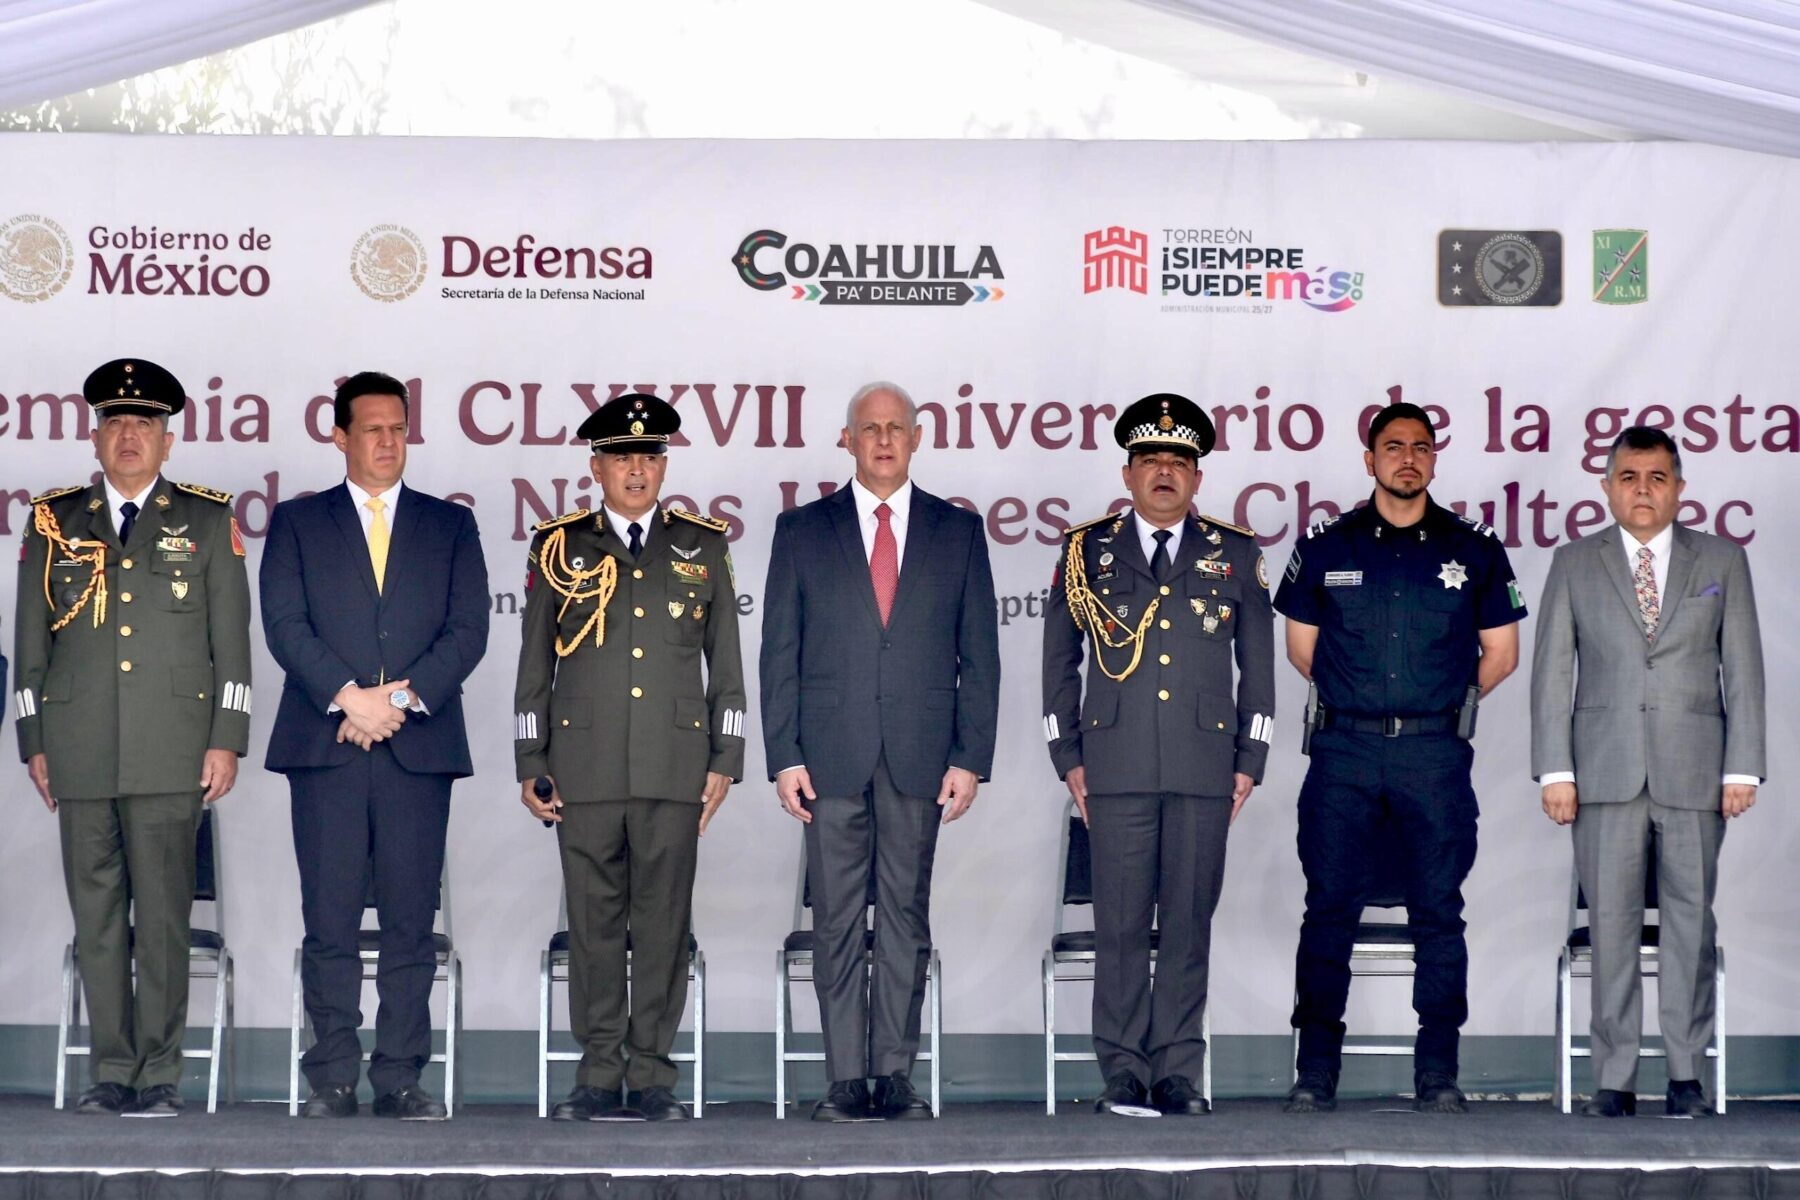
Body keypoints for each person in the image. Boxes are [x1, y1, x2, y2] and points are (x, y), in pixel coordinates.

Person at [14, 357, 251, 1117]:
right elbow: (28, 645)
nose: (128, 435)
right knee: (99, 922)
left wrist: (227, 738)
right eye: (115, 421)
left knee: (164, 924)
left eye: (143, 423)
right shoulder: (52, 520)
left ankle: (159, 1075)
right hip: (79, 748)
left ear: (167, 441)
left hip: (173, 749)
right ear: (94, 434)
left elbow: (231, 647)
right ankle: (111, 1070)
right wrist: (33, 740)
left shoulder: (208, 521)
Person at [1274, 401, 1524, 1115]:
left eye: (1420, 446)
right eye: (1392, 446)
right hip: (1344, 751)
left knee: (1439, 914)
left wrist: (1437, 699)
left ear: (1435, 459)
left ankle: (1438, 1072)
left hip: (1433, 755)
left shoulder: (1473, 548)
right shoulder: (1328, 545)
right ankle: (1315, 1071)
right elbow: (1302, 650)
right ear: (1370, 460)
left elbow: (1501, 654)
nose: (1406, 458)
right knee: (1328, 911)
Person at [760, 380, 1000, 1121]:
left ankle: (892, 1075)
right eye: (871, 428)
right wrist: (783, 754)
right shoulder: (802, 530)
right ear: (848, 440)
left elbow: (979, 655)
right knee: (835, 920)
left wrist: (971, 756)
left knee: (905, 916)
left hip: (921, 757)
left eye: (898, 427)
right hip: (829, 756)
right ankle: (842, 1080)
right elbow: (780, 653)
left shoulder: (956, 531)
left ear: (918, 437)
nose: (885, 439)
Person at [261, 371, 490, 1120]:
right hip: (326, 745)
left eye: (399, 428)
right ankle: (330, 1074)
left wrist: (395, 701)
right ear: (339, 436)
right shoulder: (298, 524)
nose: (389, 441)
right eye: (373, 429)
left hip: (413, 747)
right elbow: (286, 626)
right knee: (328, 920)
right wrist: (349, 698)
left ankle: (398, 1076)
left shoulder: (449, 525)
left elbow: (468, 630)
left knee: (408, 923)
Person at [1041, 392, 1274, 1117]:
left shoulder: (1235, 554)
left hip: (1206, 766)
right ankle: (1120, 1068)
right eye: (1151, 460)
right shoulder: (1086, 552)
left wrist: (1251, 759)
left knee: (1186, 920)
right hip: (1112, 765)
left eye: (1180, 461)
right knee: (1117, 922)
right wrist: (1067, 755)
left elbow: (1258, 667)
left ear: (1197, 478)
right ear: (1128, 473)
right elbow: (1058, 661)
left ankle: (1176, 1068)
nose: (1165, 472)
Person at [515, 393, 746, 1122]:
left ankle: (651, 1076)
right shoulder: (559, 544)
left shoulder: (702, 544)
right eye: (622, 458)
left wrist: (727, 754)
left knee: (662, 926)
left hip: (675, 765)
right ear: (596, 467)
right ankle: (596, 1072)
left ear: (664, 466)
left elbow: (727, 662)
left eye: (649, 457)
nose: (637, 470)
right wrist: (530, 756)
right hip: (581, 766)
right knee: (593, 927)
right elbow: (533, 665)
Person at [1529, 426, 1763, 1119]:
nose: (1642, 489)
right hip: (1601, 771)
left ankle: (1687, 1075)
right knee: (1611, 925)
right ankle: (1615, 1077)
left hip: (1696, 771)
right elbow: (1551, 675)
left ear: (1679, 488)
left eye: (1657, 477)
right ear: (1606, 487)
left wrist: (1743, 766)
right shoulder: (1575, 562)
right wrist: (1554, 771)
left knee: (1693, 924)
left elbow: (1743, 671)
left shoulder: (1722, 559)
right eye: (1628, 476)